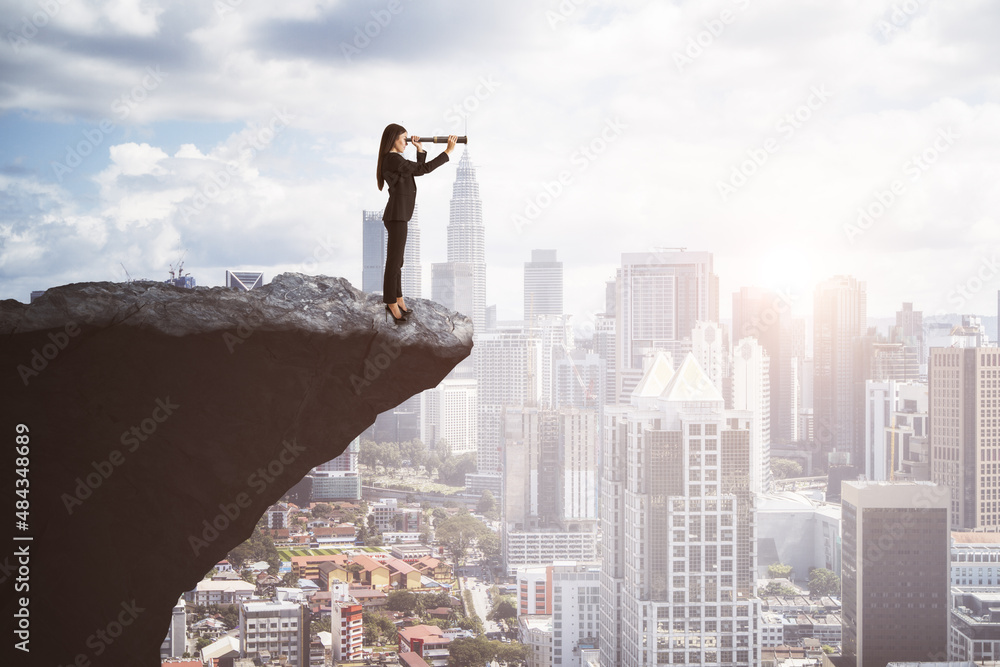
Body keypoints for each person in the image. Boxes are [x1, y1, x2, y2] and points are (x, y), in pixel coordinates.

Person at [376, 124, 458, 323]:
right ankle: (390, 302)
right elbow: (424, 169)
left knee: (398, 261)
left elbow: (415, 171)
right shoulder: (393, 159)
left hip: (399, 215)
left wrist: (420, 150)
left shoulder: (395, 160)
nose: (406, 142)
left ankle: (398, 298)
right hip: (396, 216)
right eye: (403, 138)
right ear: (393, 139)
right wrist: (447, 151)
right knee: (394, 262)